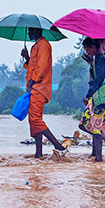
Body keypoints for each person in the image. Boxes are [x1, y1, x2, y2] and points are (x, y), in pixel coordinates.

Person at [21, 28, 66, 159]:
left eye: (30, 31)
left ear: (36, 31)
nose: (28, 33)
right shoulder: (35, 47)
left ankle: (58, 146)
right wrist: (27, 57)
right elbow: (33, 66)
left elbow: (42, 67)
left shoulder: (44, 45)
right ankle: (38, 153)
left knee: (35, 120)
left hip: (39, 87)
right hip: (34, 88)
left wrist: (32, 81)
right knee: (33, 121)